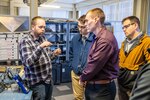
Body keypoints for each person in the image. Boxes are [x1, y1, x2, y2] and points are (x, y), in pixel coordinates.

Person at [79, 8, 119, 100]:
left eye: (86, 21)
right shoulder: (98, 37)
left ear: (96, 19)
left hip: (101, 90)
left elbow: (94, 63)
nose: (85, 24)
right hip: (95, 87)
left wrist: (83, 77)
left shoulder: (105, 39)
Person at [19, 16, 61, 100]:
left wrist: (54, 54)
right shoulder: (25, 41)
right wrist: (40, 47)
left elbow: (47, 57)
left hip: (48, 80)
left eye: (44, 27)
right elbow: (27, 62)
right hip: (37, 83)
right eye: (40, 27)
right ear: (33, 27)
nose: (43, 29)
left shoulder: (43, 38)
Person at [118, 16, 150, 100]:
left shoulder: (146, 41)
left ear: (135, 25)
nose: (124, 29)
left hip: (134, 86)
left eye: (126, 26)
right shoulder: (124, 43)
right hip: (121, 84)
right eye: (123, 27)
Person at [69, 15, 94, 100]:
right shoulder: (75, 38)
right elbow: (71, 54)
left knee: (90, 97)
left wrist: (88, 73)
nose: (80, 29)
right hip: (75, 73)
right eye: (78, 26)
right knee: (77, 98)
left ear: (88, 26)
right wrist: (72, 66)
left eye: (82, 27)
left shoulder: (95, 39)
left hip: (89, 75)